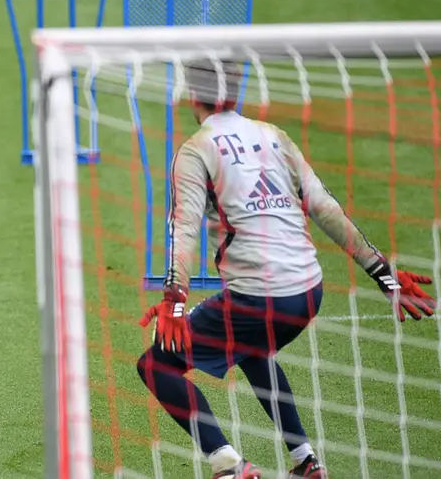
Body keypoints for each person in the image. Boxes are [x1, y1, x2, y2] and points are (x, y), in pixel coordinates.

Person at [137, 59, 436, 478]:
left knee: (155, 364)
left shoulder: (194, 151)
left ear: (191, 94)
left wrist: (174, 300)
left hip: (258, 297)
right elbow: (326, 209)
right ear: (236, 92)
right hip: (308, 291)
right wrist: (385, 276)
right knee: (252, 346)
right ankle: (306, 462)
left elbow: (183, 229)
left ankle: (229, 467)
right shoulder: (274, 136)